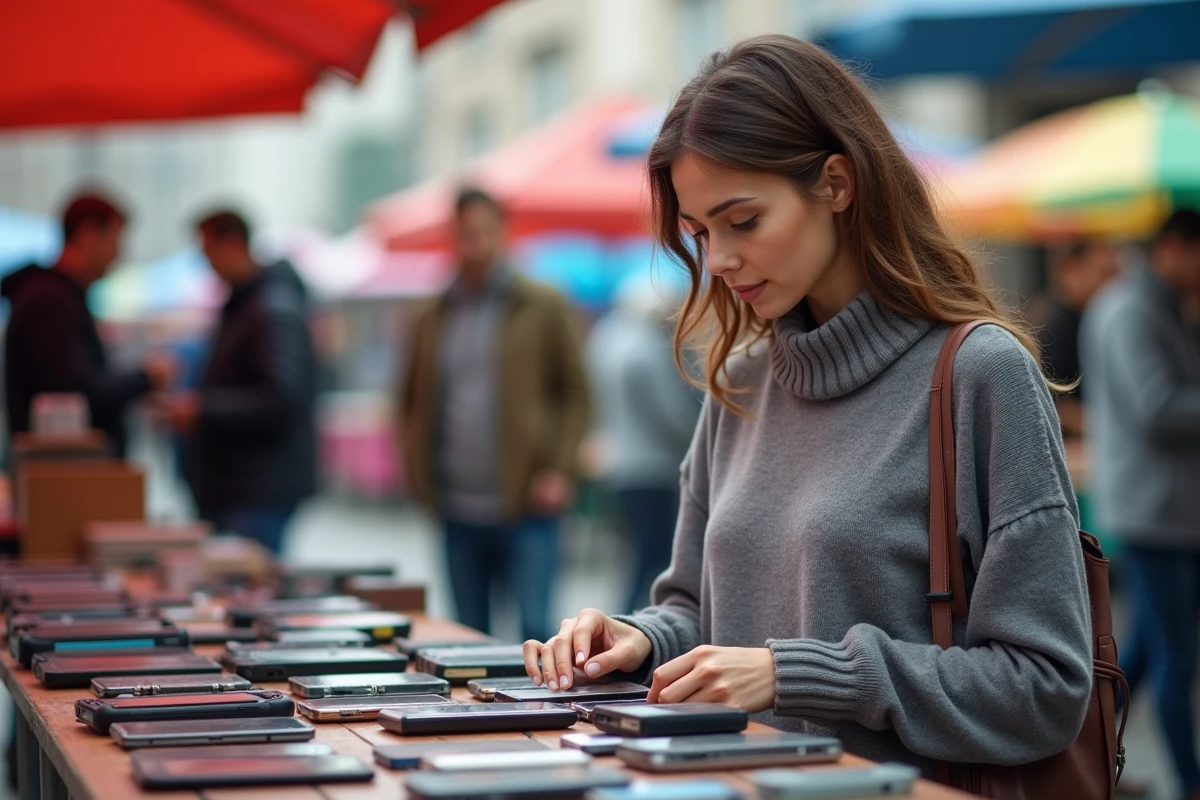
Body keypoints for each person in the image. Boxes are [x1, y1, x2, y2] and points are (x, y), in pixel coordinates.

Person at [523, 35, 1092, 778]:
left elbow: (1046, 688)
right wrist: (639, 638)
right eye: (700, 233)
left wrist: (805, 674)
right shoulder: (742, 384)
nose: (718, 260)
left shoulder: (983, 376)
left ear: (836, 183)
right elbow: (699, 610)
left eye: (743, 221)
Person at [398, 187, 590, 642]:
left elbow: (577, 394)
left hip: (529, 503)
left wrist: (559, 469)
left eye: (484, 233)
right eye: (465, 235)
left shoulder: (543, 304)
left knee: (537, 631)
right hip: (456, 506)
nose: (475, 245)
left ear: (504, 234)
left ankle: (545, 715)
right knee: (468, 639)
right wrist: (418, 474)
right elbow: (409, 401)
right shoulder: (433, 314)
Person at [1080, 208, 1200, 800]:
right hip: (1154, 510)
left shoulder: (1164, 307)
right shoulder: (1130, 309)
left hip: (1171, 509)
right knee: (1177, 655)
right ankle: (1188, 780)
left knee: (1150, 651)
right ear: (1174, 247)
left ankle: (1097, 762)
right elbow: (1157, 409)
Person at [156, 210, 317, 555]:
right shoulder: (249, 304)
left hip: (257, 489)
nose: (206, 265)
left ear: (231, 244)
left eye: (207, 252)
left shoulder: (270, 308)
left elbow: (279, 399)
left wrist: (202, 411)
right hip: (244, 486)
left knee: (253, 591)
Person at [2, 192, 175, 457]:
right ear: (88, 233)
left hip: (63, 471)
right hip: (63, 473)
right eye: (115, 240)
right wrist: (144, 379)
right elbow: (71, 393)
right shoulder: (50, 300)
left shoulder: (56, 296)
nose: (118, 254)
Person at [586, 273, 701, 613]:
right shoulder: (647, 349)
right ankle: (631, 621)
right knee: (652, 555)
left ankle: (627, 620)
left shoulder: (606, 339)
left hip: (618, 463)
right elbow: (671, 413)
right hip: (651, 466)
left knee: (637, 551)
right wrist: (707, 433)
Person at [1034, 238, 1120, 437]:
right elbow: (1052, 400)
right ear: (1070, 270)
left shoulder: (1092, 316)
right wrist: (1106, 428)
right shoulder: (1053, 325)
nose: (1112, 285)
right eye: (1103, 273)